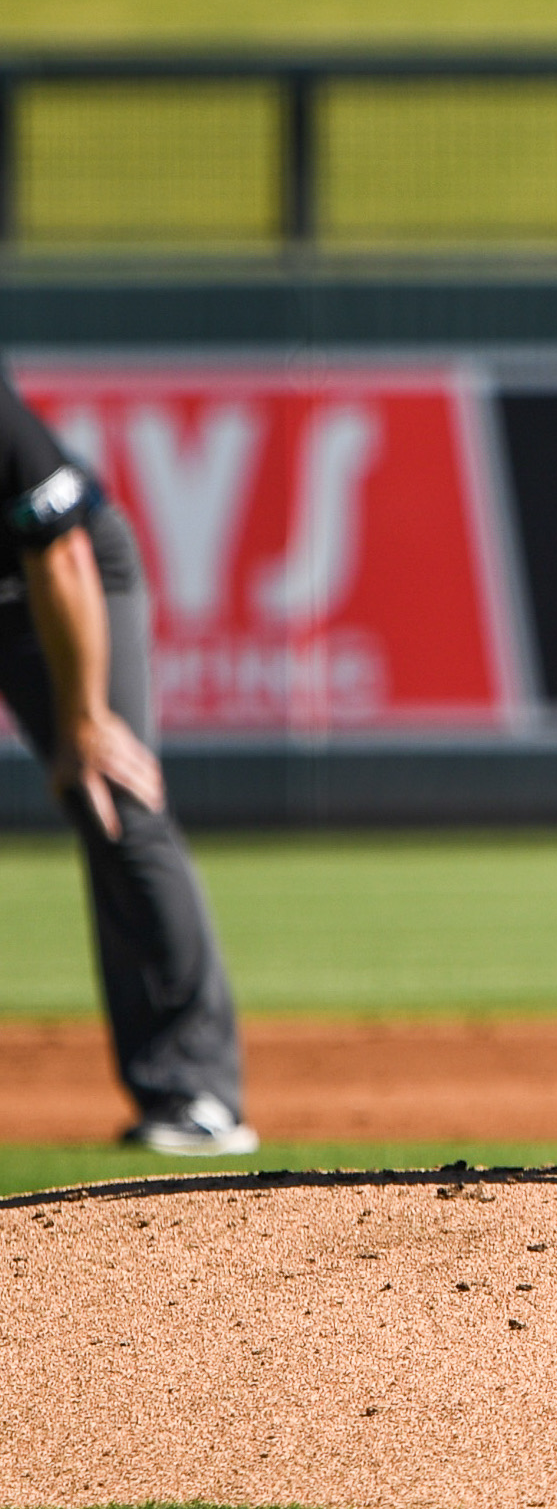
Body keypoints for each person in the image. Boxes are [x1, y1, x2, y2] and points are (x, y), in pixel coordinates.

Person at [0, 368, 253, 1153]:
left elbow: (62, 548)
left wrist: (84, 716)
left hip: (60, 578)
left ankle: (197, 1089)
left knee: (112, 792)